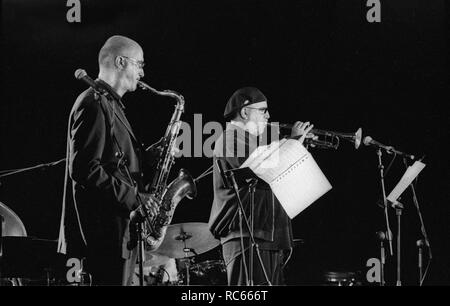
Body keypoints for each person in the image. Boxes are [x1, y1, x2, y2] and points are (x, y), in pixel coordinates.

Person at [57, 35, 159, 285]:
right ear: (121, 61)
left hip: (117, 231)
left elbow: (114, 163)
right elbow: (85, 170)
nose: (142, 73)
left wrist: (148, 157)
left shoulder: (110, 104)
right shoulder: (93, 103)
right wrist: (136, 199)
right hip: (104, 235)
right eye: (140, 64)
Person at [208, 87, 313, 285]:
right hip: (247, 235)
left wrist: (297, 147)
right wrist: (294, 142)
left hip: (263, 235)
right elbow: (261, 170)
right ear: (245, 111)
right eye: (263, 110)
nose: (268, 115)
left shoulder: (252, 142)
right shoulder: (230, 137)